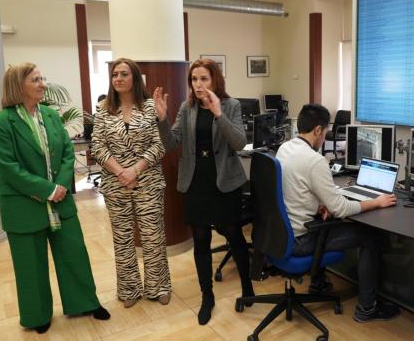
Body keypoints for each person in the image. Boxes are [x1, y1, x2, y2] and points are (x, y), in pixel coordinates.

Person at [0, 62, 110, 333]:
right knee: (30, 264)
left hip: (60, 199)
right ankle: (37, 315)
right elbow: (9, 168)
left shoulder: (50, 116)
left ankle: (84, 302)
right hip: (23, 205)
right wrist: (48, 189)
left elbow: (67, 151)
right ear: (18, 86)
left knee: (74, 253)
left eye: (42, 78)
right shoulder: (0, 124)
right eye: (36, 80)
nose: (43, 84)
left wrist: (60, 185)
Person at [275, 104, 400, 323]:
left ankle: (319, 282)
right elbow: (341, 209)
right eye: (326, 131)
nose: (325, 135)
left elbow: (293, 188)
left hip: (282, 233)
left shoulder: (285, 148)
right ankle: (367, 309)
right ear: (317, 130)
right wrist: (376, 202)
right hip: (301, 239)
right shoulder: (315, 161)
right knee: (371, 236)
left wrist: (319, 205)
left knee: (332, 216)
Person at [154, 58, 254, 325]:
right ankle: (206, 296)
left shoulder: (231, 106)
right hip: (196, 182)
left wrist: (219, 113)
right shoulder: (187, 108)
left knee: (234, 235)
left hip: (224, 182)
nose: (198, 84)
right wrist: (162, 119)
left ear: (215, 80)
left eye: (204, 79)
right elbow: (171, 143)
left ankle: (247, 286)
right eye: (194, 80)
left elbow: (239, 143)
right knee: (201, 241)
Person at [91, 58, 171, 308]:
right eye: (115, 74)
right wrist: (120, 171)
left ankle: (159, 287)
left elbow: (160, 145)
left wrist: (135, 170)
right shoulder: (103, 109)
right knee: (122, 238)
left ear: (135, 79)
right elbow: (97, 145)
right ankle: (129, 290)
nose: (119, 79)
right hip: (116, 185)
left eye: (124, 74)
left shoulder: (150, 107)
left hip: (148, 182)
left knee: (152, 236)